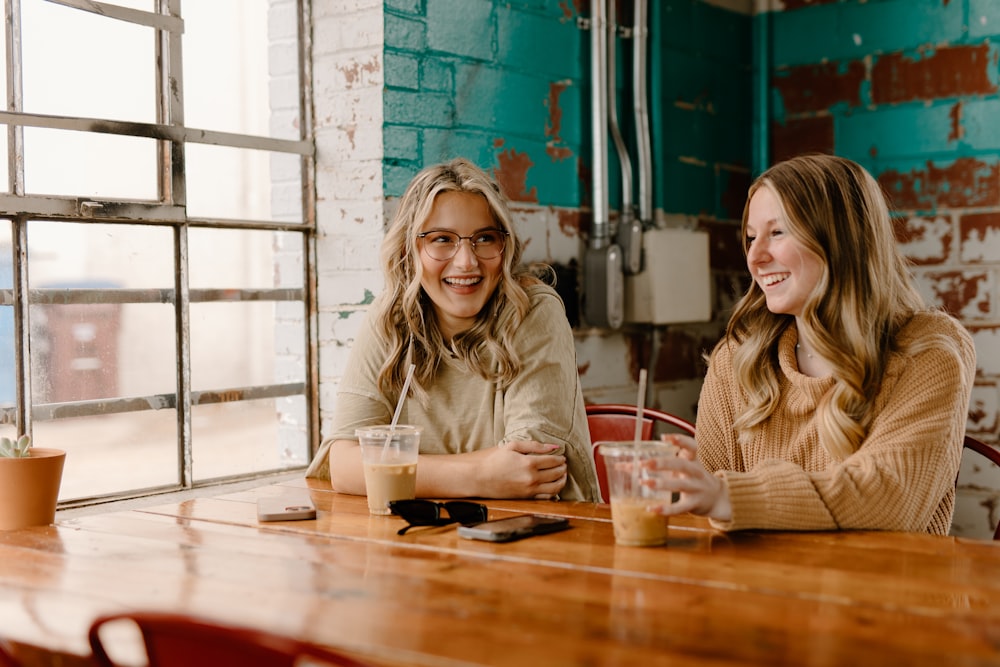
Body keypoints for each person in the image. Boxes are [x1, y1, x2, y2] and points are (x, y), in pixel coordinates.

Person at [650, 154, 976, 535]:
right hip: (762, 589)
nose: (755, 257)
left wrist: (729, 494)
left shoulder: (931, 351)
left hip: (885, 589)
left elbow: (888, 498)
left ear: (841, 239)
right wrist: (694, 484)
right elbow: (708, 517)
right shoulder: (738, 358)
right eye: (752, 237)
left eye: (777, 232)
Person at [306, 158, 599, 502]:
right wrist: (480, 475)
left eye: (485, 238)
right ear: (408, 249)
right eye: (442, 239)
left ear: (504, 247)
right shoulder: (390, 318)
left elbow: (528, 471)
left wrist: (394, 469)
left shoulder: (533, 310)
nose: (466, 261)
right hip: (424, 537)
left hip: (545, 535)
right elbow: (343, 465)